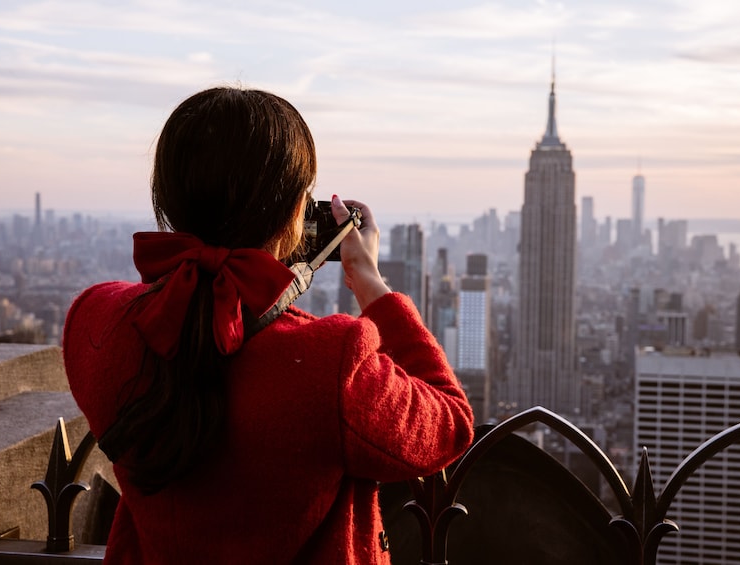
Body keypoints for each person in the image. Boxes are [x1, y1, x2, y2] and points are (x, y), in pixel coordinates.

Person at [63, 87, 474, 564]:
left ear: (168, 199)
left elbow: (182, 322)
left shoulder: (95, 322)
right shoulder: (332, 365)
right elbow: (449, 423)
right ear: (295, 213)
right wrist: (370, 282)